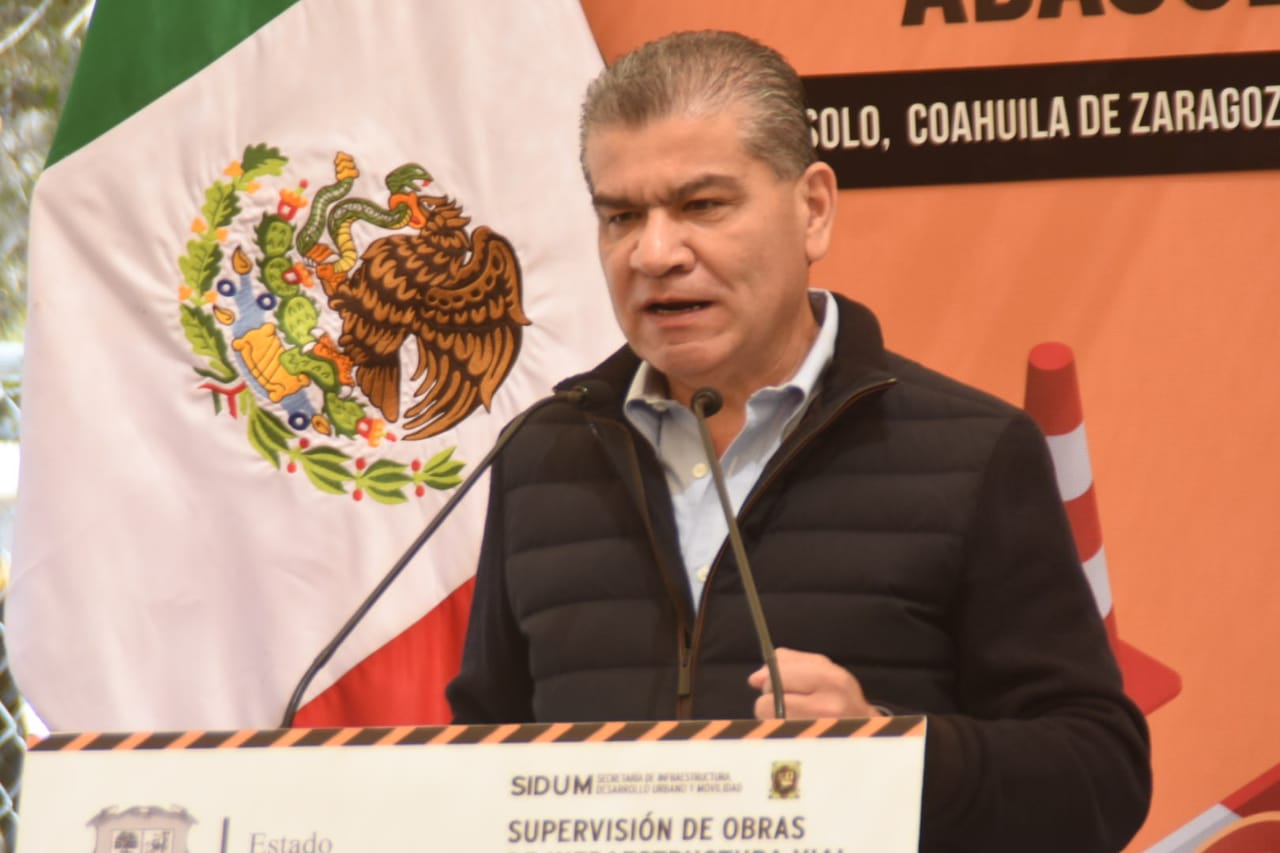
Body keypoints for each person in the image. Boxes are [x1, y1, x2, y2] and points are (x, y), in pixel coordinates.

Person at [447, 29, 1151, 852]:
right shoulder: (540, 453)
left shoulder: (971, 451)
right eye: (622, 216)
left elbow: (1099, 773)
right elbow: (478, 759)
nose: (655, 253)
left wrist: (890, 749)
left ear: (812, 209)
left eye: (702, 205)